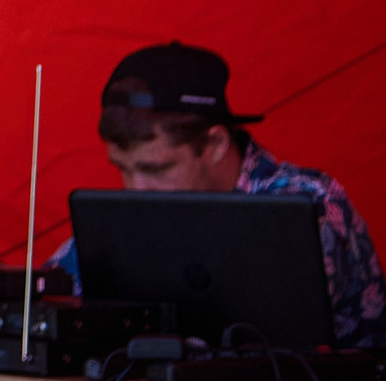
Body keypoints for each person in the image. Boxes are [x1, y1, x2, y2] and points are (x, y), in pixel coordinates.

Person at [52, 43, 384, 351]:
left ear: (215, 146)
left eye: (155, 169)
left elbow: (249, 334)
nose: (135, 189)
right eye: (121, 169)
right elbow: (50, 297)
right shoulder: (137, 214)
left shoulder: (309, 204)